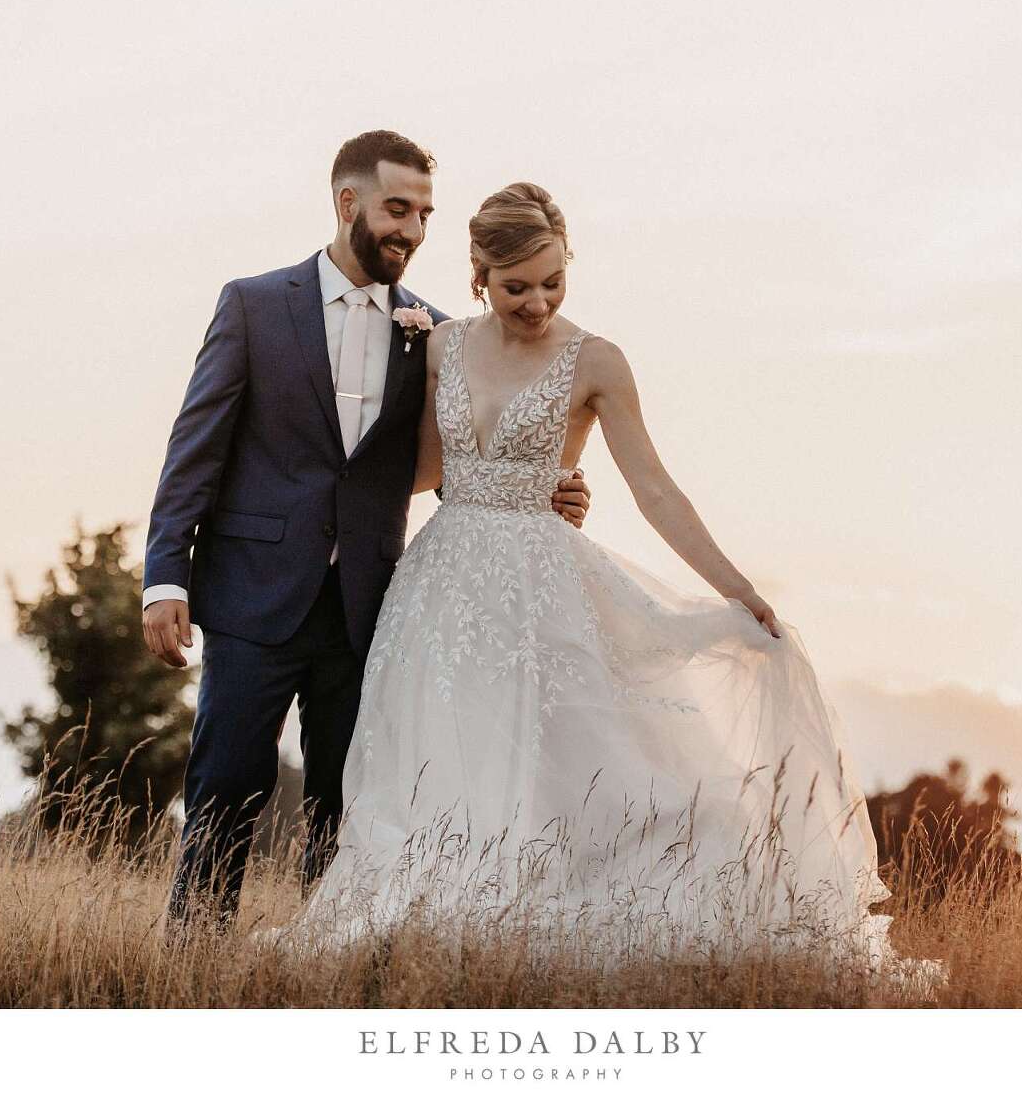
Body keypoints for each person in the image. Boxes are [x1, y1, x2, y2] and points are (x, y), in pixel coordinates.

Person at [290, 182, 921, 971]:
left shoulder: (597, 361)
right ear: (478, 273)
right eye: (517, 286)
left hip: (542, 588)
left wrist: (736, 587)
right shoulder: (444, 348)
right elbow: (419, 471)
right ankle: (441, 937)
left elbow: (654, 487)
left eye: (554, 282)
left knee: (557, 767)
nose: (537, 302)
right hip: (441, 590)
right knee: (441, 767)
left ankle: (532, 927)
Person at [142, 135, 592, 931]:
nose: (413, 229)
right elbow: (195, 447)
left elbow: (465, 465)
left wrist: (551, 490)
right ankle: (194, 957)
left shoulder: (441, 335)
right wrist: (165, 577)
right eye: (397, 209)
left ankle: (327, 954)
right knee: (225, 781)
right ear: (348, 202)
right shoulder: (252, 304)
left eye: (424, 213)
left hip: (372, 607)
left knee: (350, 798)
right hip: (253, 595)